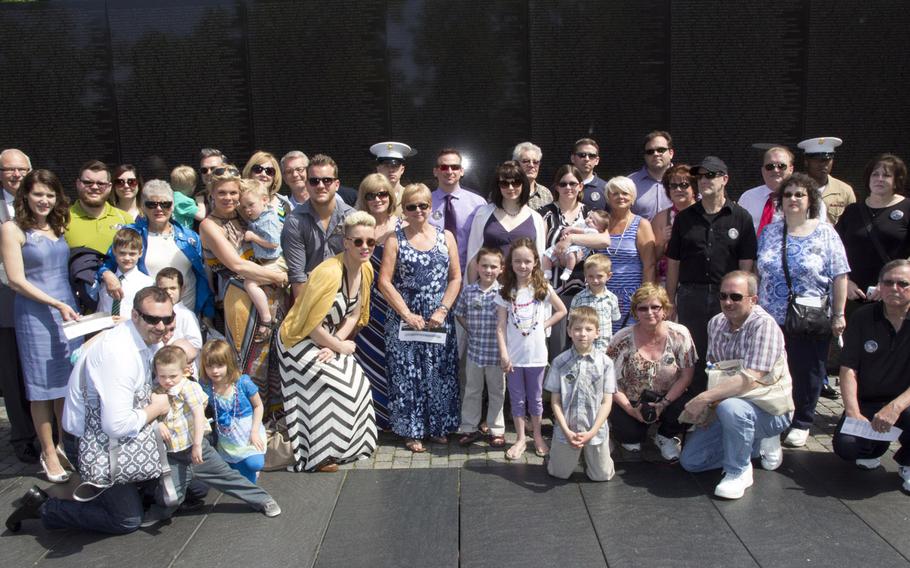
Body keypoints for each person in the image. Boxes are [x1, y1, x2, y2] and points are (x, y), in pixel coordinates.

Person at [6, 287, 172, 534]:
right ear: (135, 316)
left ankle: (122, 490)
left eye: (167, 319)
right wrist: (156, 408)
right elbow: (116, 426)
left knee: (181, 488)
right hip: (90, 444)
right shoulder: (120, 354)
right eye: (152, 319)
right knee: (126, 519)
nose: (161, 326)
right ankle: (44, 507)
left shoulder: (141, 337)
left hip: (114, 437)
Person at [278, 212, 378, 471]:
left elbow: (355, 313)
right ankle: (319, 456)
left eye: (371, 242)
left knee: (359, 383)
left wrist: (335, 344)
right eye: (358, 241)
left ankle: (351, 447)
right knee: (336, 385)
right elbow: (310, 325)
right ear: (345, 242)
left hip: (328, 338)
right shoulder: (329, 272)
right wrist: (338, 347)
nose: (365, 247)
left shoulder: (365, 269)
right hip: (297, 341)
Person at [679, 271, 791, 500]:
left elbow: (749, 378)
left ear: (753, 299)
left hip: (770, 408)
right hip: (729, 404)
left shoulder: (765, 326)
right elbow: (717, 373)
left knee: (731, 409)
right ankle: (752, 444)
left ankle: (738, 470)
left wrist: (703, 399)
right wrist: (709, 410)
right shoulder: (716, 324)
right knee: (691, 461)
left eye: (736, 297)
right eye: (723, 296)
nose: (728, 302)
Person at [1, 169, 82, 483]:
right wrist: (56, 303)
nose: (44, 201)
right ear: (25, 195)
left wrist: (66, 305)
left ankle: (65, 446)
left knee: (64, 383)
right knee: (41, 389)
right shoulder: (12, 229)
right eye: (38, 194)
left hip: (66, 312)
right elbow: (16, 280)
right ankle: (47, 451)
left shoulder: (57, 225)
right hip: (35, 314)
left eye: (49, 195)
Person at [757, 173, 849, 447]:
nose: (793, 199)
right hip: (772, 315)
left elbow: (840, 274)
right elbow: (758, 272)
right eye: (788, 195)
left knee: (808, 368)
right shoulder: (770, 231)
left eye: (799, 194)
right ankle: (777, 416)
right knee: (774, 369)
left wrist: (839, 313)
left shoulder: (824, 232)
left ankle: (803, 420)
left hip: (811, 315)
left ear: (810, 200)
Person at [142, 344, 280, 527]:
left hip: (197, 450)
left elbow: (199, 413)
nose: (167, 381)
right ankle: (160, 511)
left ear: (184, 372)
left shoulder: (189, 387)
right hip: (174, 454)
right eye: (162, 376)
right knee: (170, 494)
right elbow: (152, 413)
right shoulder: (157, 391)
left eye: (172, 376)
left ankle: (263, 499)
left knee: (227, 477)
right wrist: (158, 423)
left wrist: (198, 444)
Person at [379, 184, 461, 453]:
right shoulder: (394, 239)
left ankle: (438, 426)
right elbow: (385, 282)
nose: (418, 211)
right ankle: (412, 430)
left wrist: (443, 309)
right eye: (411, 206)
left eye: (423, 205)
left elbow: (456, 278)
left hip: (438, 317)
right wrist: (406, 314)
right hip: (405, 316)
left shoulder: (445, 236)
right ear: (403, 209)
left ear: (431, 207)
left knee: (438, 371)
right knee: (407, 374)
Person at [666, 156, 757, 392]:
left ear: (725, 179)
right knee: (693, 353)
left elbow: (746, 263)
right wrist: (670, 299)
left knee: (726, 352)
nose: (704, 180)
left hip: (726, 297)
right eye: (701, 176)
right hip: (691, 295)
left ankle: (722, 403)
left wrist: (743, 298)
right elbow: (673, 261)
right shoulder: (684, 218)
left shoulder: (741, 217)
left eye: (711, 175)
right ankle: (695, 406)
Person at [200, 166, 288, 401]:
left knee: (274, 358)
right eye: (222, 193)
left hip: (269, 294)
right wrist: (277, 277)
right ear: (212, 195)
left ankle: (273, 421)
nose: (228, 198)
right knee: (247, 357)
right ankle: (247, 420)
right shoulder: (209, 226)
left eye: (233, 193)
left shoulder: (246, 215)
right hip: (240, 297)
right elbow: (236, 265)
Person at [832, 260, 910, 492]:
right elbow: (848, 368)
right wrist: (853, 412)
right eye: (888, 283)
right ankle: (876, 446)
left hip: (905, 403)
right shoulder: (863, 317)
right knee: (847, 447)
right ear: (879, 286)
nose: (894, 288)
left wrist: (895, 407)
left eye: (903, 283)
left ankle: (907, 460)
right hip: (868, 401)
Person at [495, 237, 567, 460]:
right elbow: (500, 327)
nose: (523, 266)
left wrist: (541, 326)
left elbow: (561, 310)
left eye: (527, 261)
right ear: (511, 263)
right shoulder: (506, 290)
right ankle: (519, 438)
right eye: (517, 261)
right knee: (517, 398)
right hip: (514, 357)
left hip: (536, 356)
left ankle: (536, 435)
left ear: (535, 261)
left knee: (535, 398)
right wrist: (504, 354)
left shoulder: (542, 287)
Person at [607, 284, 696, 461]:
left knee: (690, 404)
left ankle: (665, 436)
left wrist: (663, 404)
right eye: (643, 308)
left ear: (665, 310)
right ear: (635, 312)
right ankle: (631, 430)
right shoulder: (621, 339)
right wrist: (630, 410)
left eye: (655, 307)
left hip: (669, 398)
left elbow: (687, 376)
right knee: (630, 437)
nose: (649, 312)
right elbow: (609, 382)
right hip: (631, 400)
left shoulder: (680, 334)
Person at [99, 179, 213, 317]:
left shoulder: (190, 237)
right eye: (152, 204)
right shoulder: (132, 234)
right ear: (143, 206)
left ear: (172, 206)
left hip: (185, 314)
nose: (159, 209)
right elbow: (106, 264)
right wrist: (107, 274)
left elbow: (202, 276)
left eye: (165, 204)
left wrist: (207, 314)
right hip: (148, 317)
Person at [538, 165, 611, 356]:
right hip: (555, 290)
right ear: (556, 187)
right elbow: (538, 248)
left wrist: (571, 239)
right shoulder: (545, 213)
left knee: (585, 343)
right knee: (557, 346)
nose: (568, 187)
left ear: (580, 186)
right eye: (563, 183)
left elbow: (604, 240)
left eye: (573, 183)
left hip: (586, 290)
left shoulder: (591, 213)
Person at [353, 173, 404, 430]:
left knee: (398, 364)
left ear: (391, 196)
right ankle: (376, 421)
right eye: (371, 195)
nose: (377, 199)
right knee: (371, 362)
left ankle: (399, 420)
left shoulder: (403, 225)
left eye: (383, 194)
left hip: (397, 305)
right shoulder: (360, 227)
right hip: (367, 305)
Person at [545, 306, 616, 481]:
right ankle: (557, 453)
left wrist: (592, 432)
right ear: (569, 331)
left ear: (597, 333)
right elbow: (555, 401)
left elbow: (607, 401)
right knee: (558, 473)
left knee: (602, 476)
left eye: (588, 329)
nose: (582, 334)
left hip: (595, 430)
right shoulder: (559, 362)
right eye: (577, 329)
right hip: (567, 430)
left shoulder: (605, 363)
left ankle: (604, 450)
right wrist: (567, 431)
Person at [0, 148, 37, 464]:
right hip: (5, 301)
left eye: (21, 170)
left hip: (42, 300)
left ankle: (45, 433)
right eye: (9, 170)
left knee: (38, 370)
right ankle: (23, 437)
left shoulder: (43, 203)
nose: (15, 175)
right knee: (12, 373)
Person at [836, 154, 909, 307]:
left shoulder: (907, 208)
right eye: (875, 174)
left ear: (897, 181)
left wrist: (889, 284)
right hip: (854, 297)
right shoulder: (852, 211)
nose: (879, 179)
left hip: (896, 295)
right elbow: (835, 251)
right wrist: (845, 282)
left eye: (886, 175)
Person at [454, 247, 506, 448]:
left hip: (495, 353)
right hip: (475, 352)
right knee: (472, 390)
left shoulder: (504, 292)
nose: (489, 270)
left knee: (497, 392)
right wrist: (470, 329)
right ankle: (469, 427)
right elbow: (459, 312)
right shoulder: (469, 291)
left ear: (501, 269)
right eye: (484, 266)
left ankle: (496, 429)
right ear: (477, 267)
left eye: (494, 266)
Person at [281, 154, 351, 299]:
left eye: (327, 180)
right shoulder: (294, 221)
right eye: (314, 181)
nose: (320, 186)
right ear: (307, 184)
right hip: (310, 296)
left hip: (347, 294)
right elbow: (297, 276)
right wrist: (308, 317)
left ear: (336, 185)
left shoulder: (352, 218)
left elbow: (359, 267)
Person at [465, 160, 546, 283]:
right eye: (504, 183)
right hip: (488, 291)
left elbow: (540, 259)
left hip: (523, 291)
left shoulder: (535, 218)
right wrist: (470, 292)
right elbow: (473, 256)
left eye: (516, 182)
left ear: (523, 184)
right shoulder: (483, 214)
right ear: (498, 186)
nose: (511, 188)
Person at [199, 339, 267, 484]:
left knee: (254, 464)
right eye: (209, 366)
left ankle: (251, 474)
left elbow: (258, 406)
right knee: (231, 470)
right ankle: (240, 469)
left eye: (220, 365)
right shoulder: (206, 386)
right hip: (227, 436)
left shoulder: (242, 382)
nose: (215, 371)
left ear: (229, 363)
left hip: (247, 432)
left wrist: (254, 432)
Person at [597, 176, 657, 333]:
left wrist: (644, 298)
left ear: (632, 198)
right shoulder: (600, 224)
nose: (620, 197)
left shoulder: (641, 224)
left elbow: (649, 265)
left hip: (631, 298)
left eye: (625, 193)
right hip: (602, 297)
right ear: (608, 197)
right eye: (614, 193)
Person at [238, 179, 285, 343]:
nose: (247, 210)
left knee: (250, 283)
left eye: (251, 205)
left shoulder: (268, 219)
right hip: (266, 261)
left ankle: (266, 319)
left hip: (277, 261)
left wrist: (253, 238)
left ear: (264, 200)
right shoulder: (258, 217)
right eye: (244, 207)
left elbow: (273, 243)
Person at [428, 148, 486, 275]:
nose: (449, 171)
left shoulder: (478, 204)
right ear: (435, 171)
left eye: (454, 167)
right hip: (433, 275)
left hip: (468, 274)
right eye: (444, 167)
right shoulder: (424, 203)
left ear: (461, 171)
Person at [65, 160, 134, 254]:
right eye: (88, 182)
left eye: (101, 184)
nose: (94, 187)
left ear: (109, 187)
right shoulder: (63, 219)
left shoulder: (125, 219)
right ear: (78, 184)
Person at [652, 164, 697, 283]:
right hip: (666, 282)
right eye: (673, 186)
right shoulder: (661, 218)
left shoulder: (704, 214)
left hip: (697, 282)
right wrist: (662, 241)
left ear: (694, 189)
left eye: (684, 185)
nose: (678, 190)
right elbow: (652, 259)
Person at [96, 228, 154, 318]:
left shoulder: (148, 284)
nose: (127, 258)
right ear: (114, 251)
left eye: (132, 254)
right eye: (122, 253)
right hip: (106, 330)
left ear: (140, 253)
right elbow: (101, 308)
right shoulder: (105, 281)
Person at [798, 136, 856, 225]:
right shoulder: (794, 188)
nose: (823, 165)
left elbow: (852, 224)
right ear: (806, 162)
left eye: (827, 160)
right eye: (817, 160)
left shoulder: (844, 190)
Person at [738, 147, 796, 234]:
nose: (776, 170)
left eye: (781, 166)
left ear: (791, 169)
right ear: (763, 170)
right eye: (770, 166)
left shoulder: (804, 198)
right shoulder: (747, 198)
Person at [569, 254, 620, 353]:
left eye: (599, 276)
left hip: (604, 349)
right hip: (582, 348)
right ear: (585, 276)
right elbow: (571, 322)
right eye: (590, 276)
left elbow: (615, 321)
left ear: (608, 276)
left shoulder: (612, 298)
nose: (595, 280)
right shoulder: (579, 298)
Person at [541, 209, 610, 281]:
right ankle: (547, 271)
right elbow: (567, 233)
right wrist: (565, 235)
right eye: (590, 217)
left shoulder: (594, 231)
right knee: (546, 255)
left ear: (601, 229)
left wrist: (571, 231)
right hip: (563, 248)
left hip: (577, 249)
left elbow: (582, 231)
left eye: (594, 222)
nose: (590, 221)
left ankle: (567, 272)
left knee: (571, 256)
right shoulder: (581, 222)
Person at [629, 130, 675, 221]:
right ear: (645, 156)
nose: (656, 154)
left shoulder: (687, 180)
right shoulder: (630, 183)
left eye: (661, 150)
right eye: (650, 152)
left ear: (671, 153)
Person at [242, 150, 291, 219]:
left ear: (275, 177)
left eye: (269, 171)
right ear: (250, 172)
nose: (263, 174)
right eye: (258, 169)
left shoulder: (284, 203)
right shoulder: (239, 202)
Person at [370, 141, 416, 205]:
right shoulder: (370, 197)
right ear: (378, 169)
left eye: (395, 166)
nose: (391, 170)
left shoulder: (411, 196)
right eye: (386, 166)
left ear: (402, 170)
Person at [512, 141, 553, 210]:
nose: (531, 165)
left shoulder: (546, 194)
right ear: (516, 164)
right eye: (526, 161)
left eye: (535, 162)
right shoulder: (506, 190)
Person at [570, 138, 608, 210]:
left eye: (591, 156)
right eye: (582, 155)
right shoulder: (561, 186)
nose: (587, 159)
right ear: (572, 158)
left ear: (597, 161)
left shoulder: (606, 189)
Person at [198, 148, 227, 212]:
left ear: (225, 169)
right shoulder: (197, 200)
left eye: (213, 168)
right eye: (204, 170)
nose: (208, 173)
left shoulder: (239, 196)